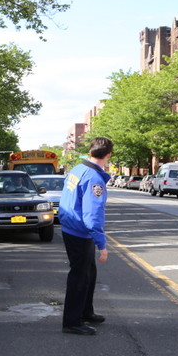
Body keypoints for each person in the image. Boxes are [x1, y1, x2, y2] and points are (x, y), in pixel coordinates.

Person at [57, 137, 113, 335]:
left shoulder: (77, 169)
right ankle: (72, 321)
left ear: (91, 151)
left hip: (72, 226)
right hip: (80, 231)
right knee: (80, 277)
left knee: (89, 273)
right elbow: (93, 215)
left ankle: (85, 311)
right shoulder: (94, 178)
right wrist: (102, 244)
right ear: (108, 155)